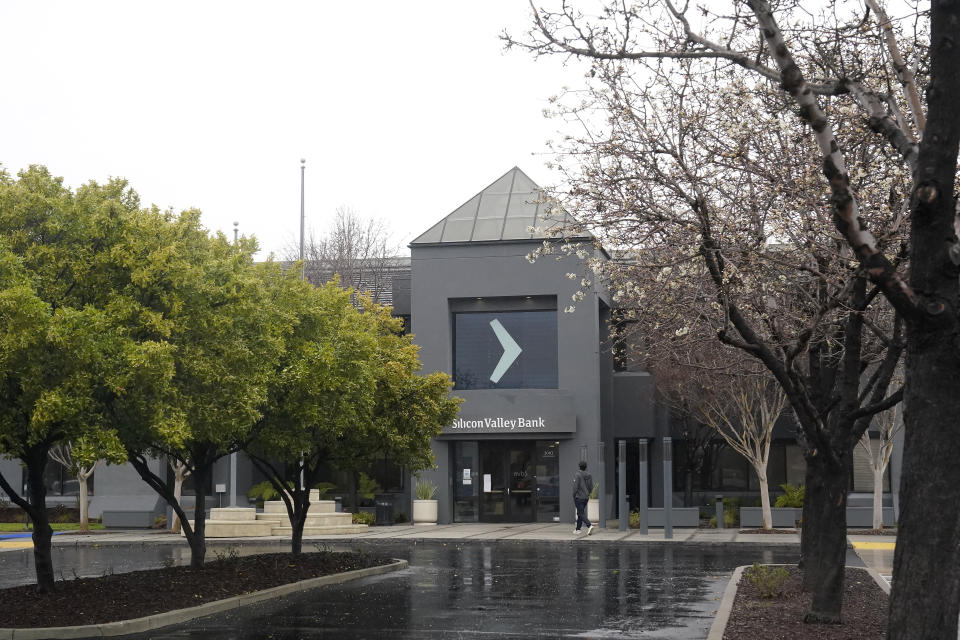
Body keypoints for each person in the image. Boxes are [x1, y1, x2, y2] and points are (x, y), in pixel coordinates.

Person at [572, 461, 594, 535]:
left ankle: (589, 525)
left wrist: (573, 495)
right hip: (586, 497)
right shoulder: (589, 475)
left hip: (579, 497)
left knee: (581, 513)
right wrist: (588, 493)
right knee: (580, 513)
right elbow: (591, 487)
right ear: (586, 467)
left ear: (579, 467)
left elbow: (575, 487)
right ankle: (578, 529)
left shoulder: (577, 475)